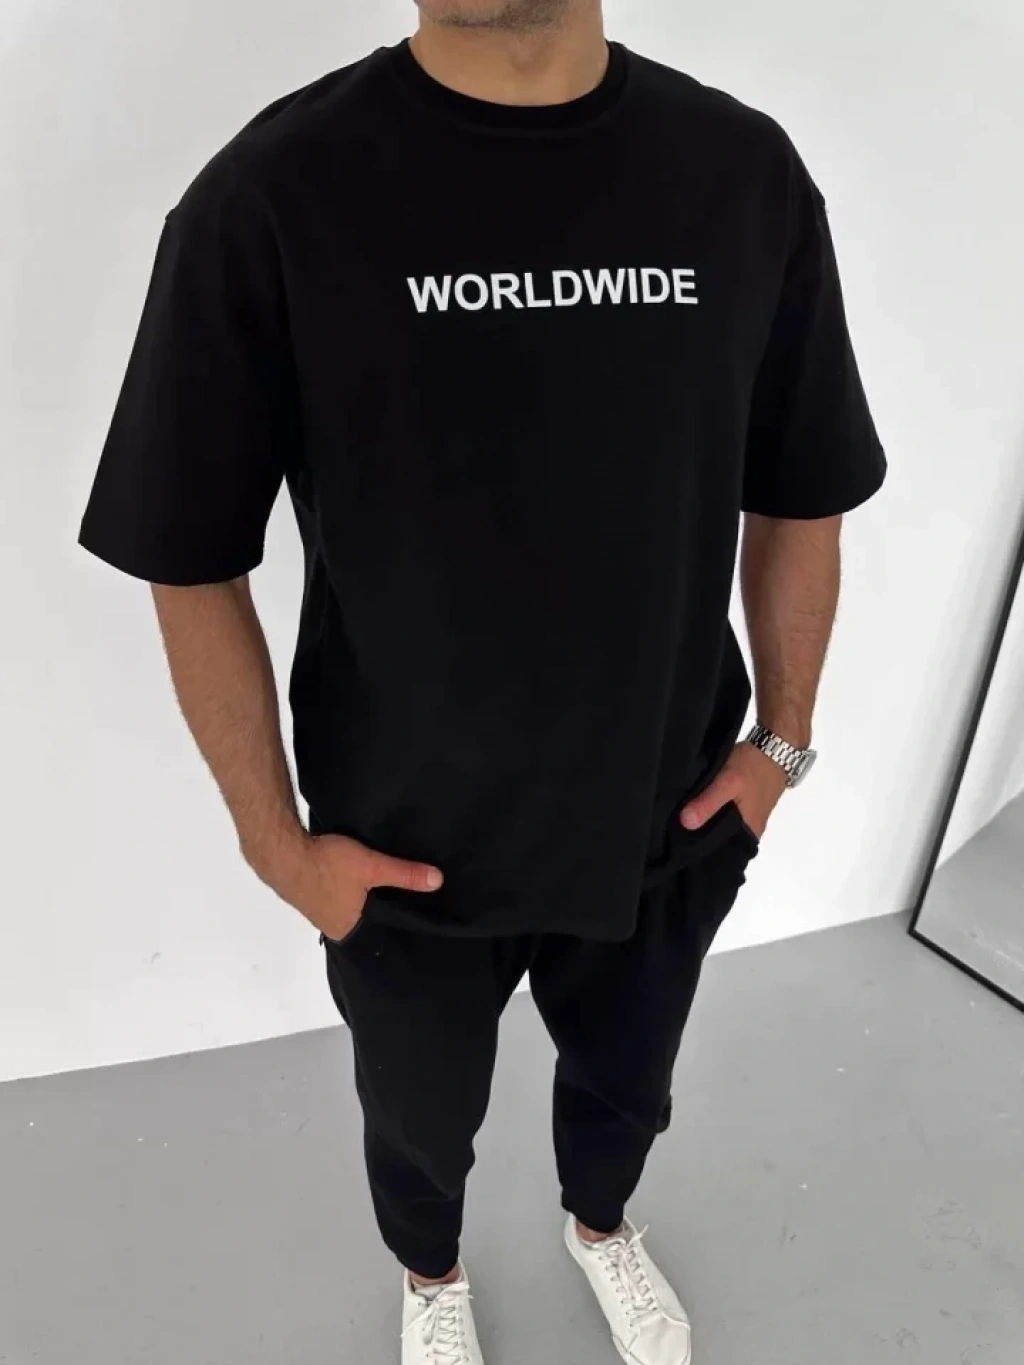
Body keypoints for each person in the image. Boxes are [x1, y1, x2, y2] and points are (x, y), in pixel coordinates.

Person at [78, 1, 887, 1361]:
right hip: (402, 852)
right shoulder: (272, 196)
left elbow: (805, 484)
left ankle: (601, 1226)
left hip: (670, 815)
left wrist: (781, 745)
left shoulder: (740, 175)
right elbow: (186, 549)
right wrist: (277, 845)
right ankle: (432, 1275)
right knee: (416, 1121)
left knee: (628, 1084)